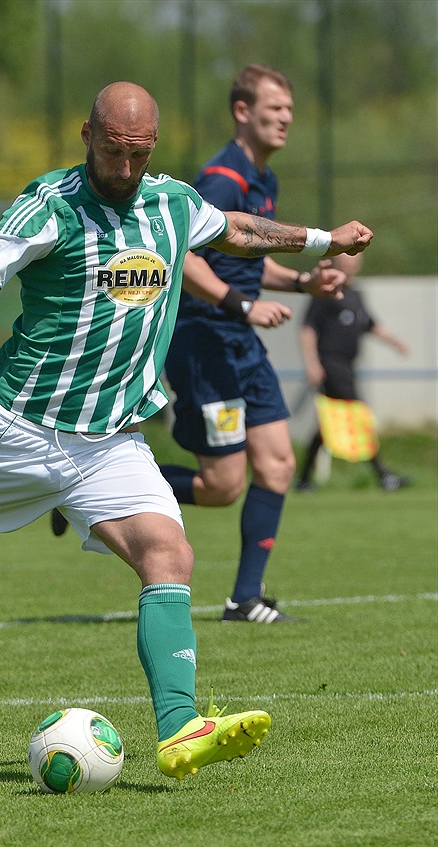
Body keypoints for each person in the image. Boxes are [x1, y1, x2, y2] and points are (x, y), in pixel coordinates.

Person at [0, 82, 372, 780]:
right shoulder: (49, 205)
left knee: (169, 555)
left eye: (140, 154)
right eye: (113, 152)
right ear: (86, 136)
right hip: (22, 429)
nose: (127, 169)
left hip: (111, 441)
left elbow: (235, 228)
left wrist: (326, 238)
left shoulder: (170, 204)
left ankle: (180, 729)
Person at [160, 64, 347, 626]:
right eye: (275, 109)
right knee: (222, 486)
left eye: (290, 110)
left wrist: (303, 281)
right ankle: (84, 494)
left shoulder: (263, 181)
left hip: (238, 341)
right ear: (243, 111)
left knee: (279, 465)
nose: (286, 119)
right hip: (204, 342)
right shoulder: (223, 179)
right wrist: (241, 305)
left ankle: (245, 599)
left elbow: (244, 258)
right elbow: (185, 257)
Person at [296, 252, 410, 491]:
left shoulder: (356, 295)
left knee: (328, 424)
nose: (350, 268)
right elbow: (307, 330)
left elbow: (371, 325)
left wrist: (395, 342)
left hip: (347, 366)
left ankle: (304, 480)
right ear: (337, 264)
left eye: (354, 263)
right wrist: (312, 363)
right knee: (358, 416)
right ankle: (383, 476)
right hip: (331, 365)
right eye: (346, 263)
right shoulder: (325, 293)